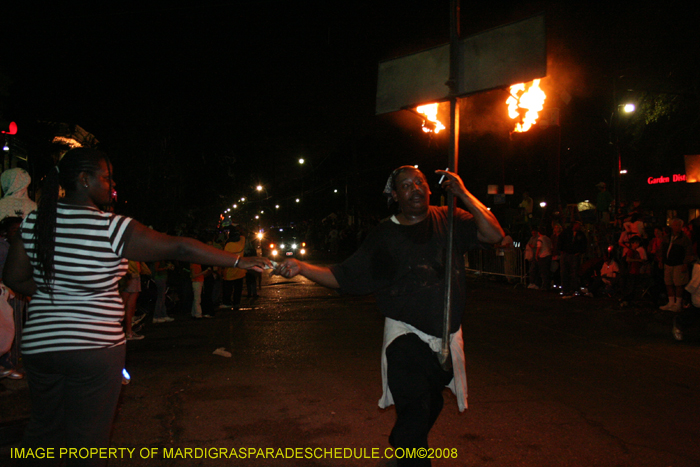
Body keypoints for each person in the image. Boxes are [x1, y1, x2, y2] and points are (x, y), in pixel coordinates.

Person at [3, 148, 270, 465]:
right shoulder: (112, 227)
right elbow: (180, 246)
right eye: (106, 177)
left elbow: (14, 277)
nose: (111, 184)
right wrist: (240, 259)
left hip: (40, 347)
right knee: (87, 440)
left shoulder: (35, 222)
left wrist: (58, 293)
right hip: (93, 347)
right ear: (84, 180)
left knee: (43, 433)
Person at [274, 166, 503, 466]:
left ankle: (402, 441)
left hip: (446, 336)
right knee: (416, 407)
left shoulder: (449, 218)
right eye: (406, 185)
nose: (415, 188)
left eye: (420, 182)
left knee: (430, 403)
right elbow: (345, 276)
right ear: (395, 196)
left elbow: (494, 234)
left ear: (430, 189)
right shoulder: (384, 235)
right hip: (405, 336)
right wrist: (302, 268)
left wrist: (462, 194)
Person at [659, 218, 693, 312]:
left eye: (678, 225)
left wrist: (685, 263)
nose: (676, 227)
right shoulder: (667, 237)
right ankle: (671, 302)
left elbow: (688, 252)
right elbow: (662, 249)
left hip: (678, 263)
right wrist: (661, 260)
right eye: (675, 225)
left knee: (678, 284)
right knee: (668, 282)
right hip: (668, 263)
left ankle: (678, 303)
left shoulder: (685, 239)